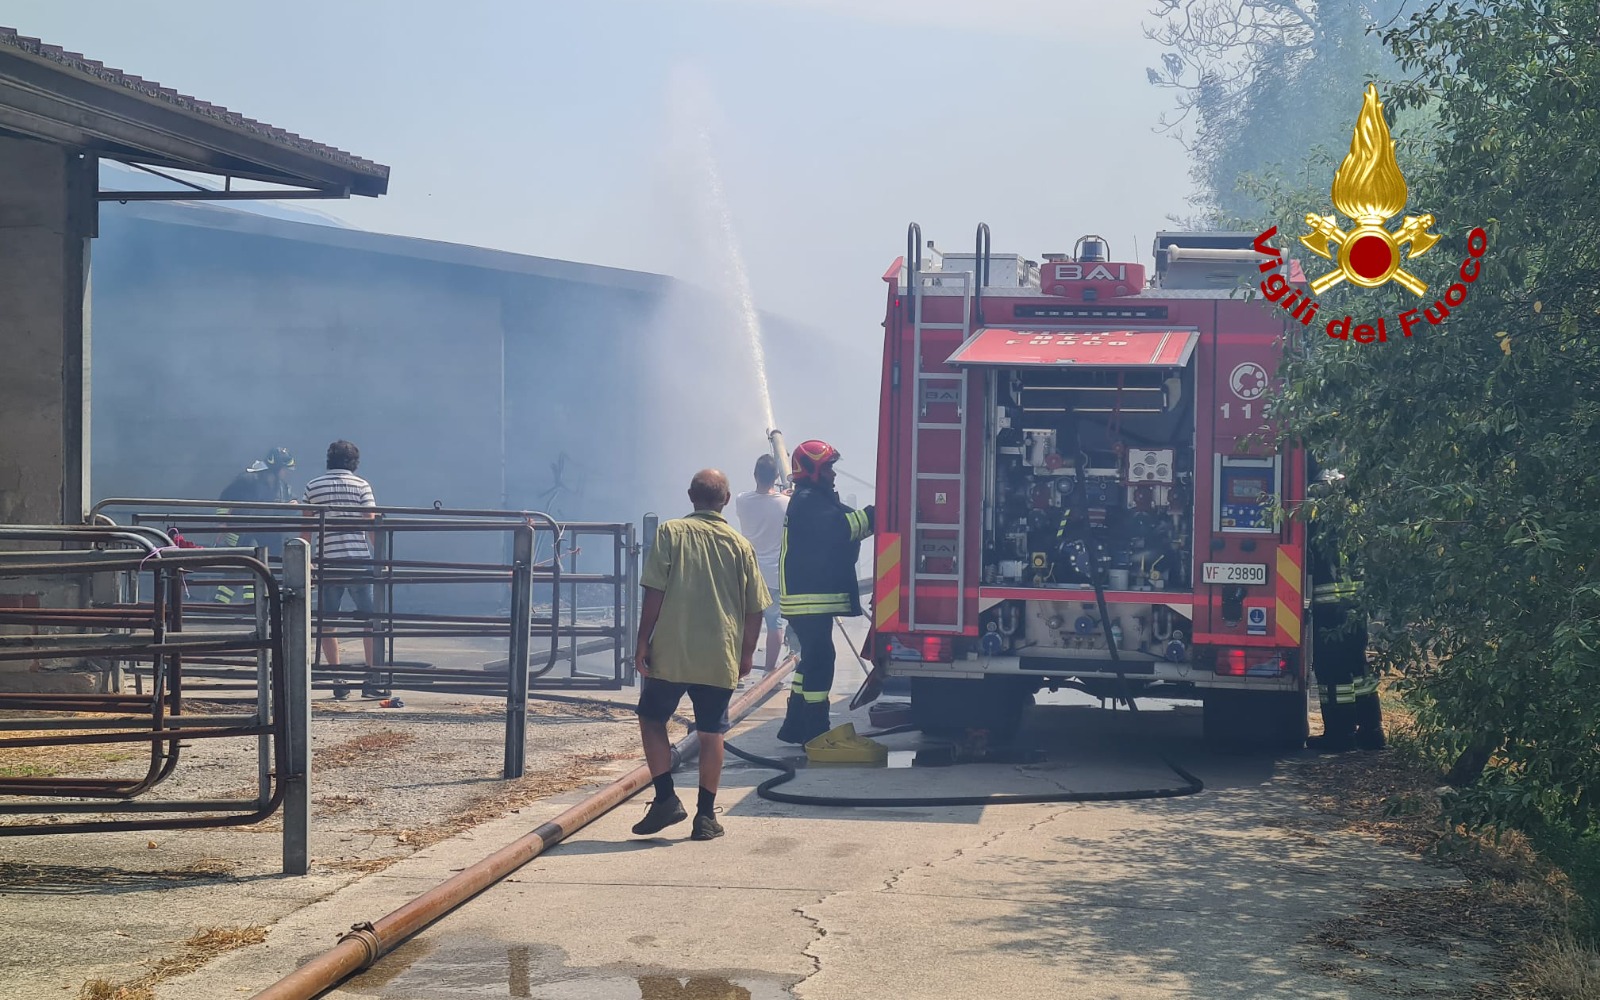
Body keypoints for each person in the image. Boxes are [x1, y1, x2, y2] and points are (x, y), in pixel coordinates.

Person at [632, 469, 769, 842]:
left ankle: (665, 799)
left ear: (690, 495)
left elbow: (655, 592)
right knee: (712, 733)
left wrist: (643, 641)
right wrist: (746, 654)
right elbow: (755, 608)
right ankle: (706, 818)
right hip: (719, 654)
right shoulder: (741, 545)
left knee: (651, 718)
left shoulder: (670, 533)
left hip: (672, 653)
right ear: (725, 501)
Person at [776, 440, 874, 746]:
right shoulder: (808, 501)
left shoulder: (813, 498)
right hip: (808, 602)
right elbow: (844, 527)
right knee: (822, 658)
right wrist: (879, 513)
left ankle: (795, 724)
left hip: (805, 601)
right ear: (812, 470)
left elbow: (843, 516)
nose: (833, 474)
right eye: (828, 467)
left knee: (810, 660)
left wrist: (873, 513)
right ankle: (815, 728)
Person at [1305, 465, 1384, 752]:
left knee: (1332, 674)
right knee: (1358, 671)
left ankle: (1339, 736)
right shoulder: (1354, 519)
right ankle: (1372, 732)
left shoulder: (1322, 520)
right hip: (1355, 610)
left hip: (1331, 610)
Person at [299, 440, 379, 686]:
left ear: (329, 460)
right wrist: (381, 558)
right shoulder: (361, 485)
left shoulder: (313, 486)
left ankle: (337, 678)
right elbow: (371, 522)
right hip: (358, 560)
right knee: (371, 622)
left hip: (328, 561)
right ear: (354, 462)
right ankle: (372, 676)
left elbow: (306, 527)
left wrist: (307, 559)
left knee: (327, 621)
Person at [215, 447, 296, 605]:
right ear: (276, 468)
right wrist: (223, 523)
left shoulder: (283, 487)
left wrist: (292, 505)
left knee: (251, 569)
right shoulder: (247, 480)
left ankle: (244, 605)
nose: (287, 473)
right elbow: (224, 500)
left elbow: (288, 506)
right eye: (285, 469)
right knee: (245, 568)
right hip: (241, 532)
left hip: (265, 535)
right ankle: (241, 606)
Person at [734, 453, 790, 674]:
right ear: (776, 476)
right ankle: (770, 670)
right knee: (775, 623)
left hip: (748, 573)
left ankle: (739, 670)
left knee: (744, 623)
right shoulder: (787, 503)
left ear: (755, 474)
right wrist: (783, 494)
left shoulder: (741, 500)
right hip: (775, 574)